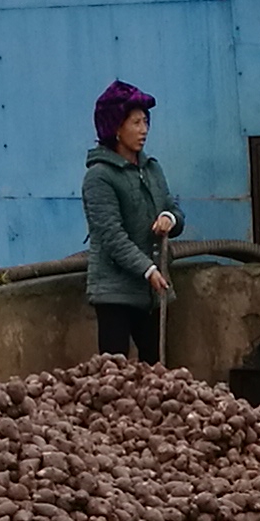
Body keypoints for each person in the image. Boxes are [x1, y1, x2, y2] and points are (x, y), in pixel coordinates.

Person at [81, 81, 179, 363]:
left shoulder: (151, 168)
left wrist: (169, 218)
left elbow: (173, 207)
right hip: (115, 292)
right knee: (115, 369)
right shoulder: (99, 176)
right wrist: (148, 269)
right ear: (116, 127)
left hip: (151, 291)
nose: (144, 129)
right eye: (135, 122)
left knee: (157, 366)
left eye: (145, 121)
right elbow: (112, 236)